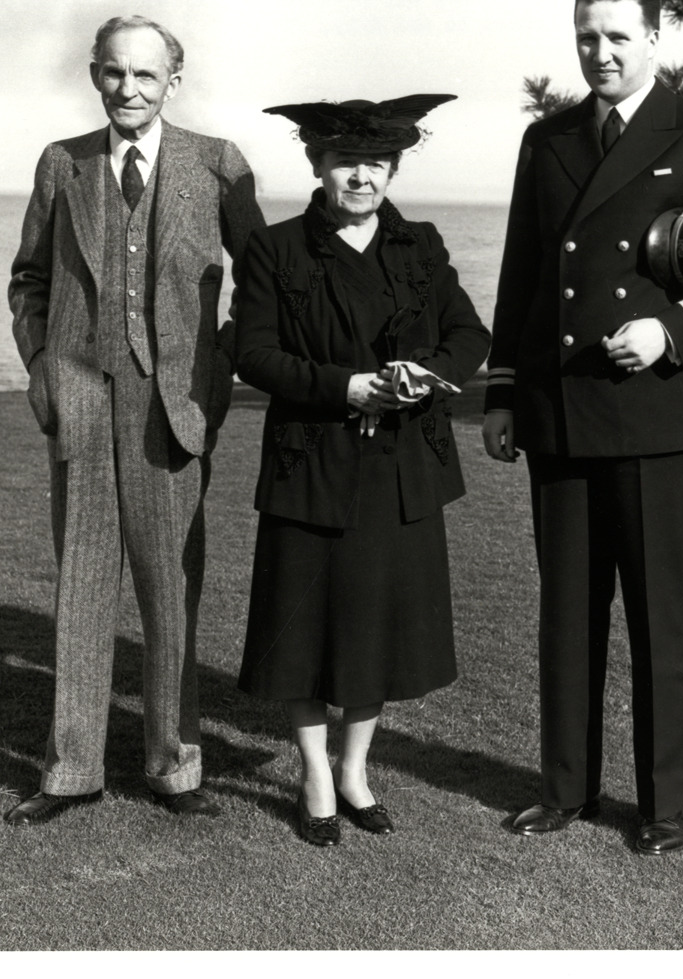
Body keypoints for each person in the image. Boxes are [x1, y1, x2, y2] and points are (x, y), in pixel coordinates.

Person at [482, 0, 683, 854]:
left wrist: (673, 330)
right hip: (560, 409)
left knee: (657, 616)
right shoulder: (547, 138)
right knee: (567, 611)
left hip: (660, 413)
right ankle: (564, 788)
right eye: (587, 35)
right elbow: (522, 270)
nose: (600, 52)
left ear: (654, 36)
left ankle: (661, 806)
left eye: (617, 35)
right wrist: (502, 392)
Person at [4, 14, 265, 825]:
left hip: (172, 407)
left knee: (169, 590)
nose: (129, 88)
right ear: (95, 74)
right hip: (80, 399)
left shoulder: (217, 163)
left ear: (172, 82)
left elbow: (261, 283)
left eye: (146, 75)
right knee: (82, 587)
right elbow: (28, 280)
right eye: (114, 72)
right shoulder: (63, 163)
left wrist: (216, 370)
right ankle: (71, 769)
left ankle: (174, 767)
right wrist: (43, 367)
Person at [235, 95, 490, 846]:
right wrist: (345, 387)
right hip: (311, 467)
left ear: (393, 169)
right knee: (306, 628)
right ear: (317, 164)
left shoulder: (421, 244)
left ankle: (354, 771)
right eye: (345, 162)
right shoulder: (275, 248)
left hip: (400, 470)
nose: (361, 177)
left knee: (376, 627)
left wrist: (424, 377)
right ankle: (315, 772)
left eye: (375, 164)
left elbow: (469, 333)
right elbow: (253, 353)